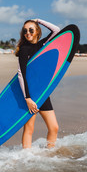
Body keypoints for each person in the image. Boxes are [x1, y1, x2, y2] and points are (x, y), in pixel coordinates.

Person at [15, 19, 60, 149]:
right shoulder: (24, 50)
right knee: (29, 129)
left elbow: (56, 30)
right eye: (25, 31)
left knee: (54, 127)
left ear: (37, 31)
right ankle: (27, 159)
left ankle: (49, 154)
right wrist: (27, 98)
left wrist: (38, 20)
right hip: (31, 94)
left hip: (43, 93)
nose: (27, 33)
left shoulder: (43, 45)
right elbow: (21, 74)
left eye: (31, 30)